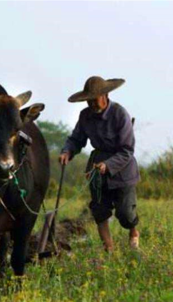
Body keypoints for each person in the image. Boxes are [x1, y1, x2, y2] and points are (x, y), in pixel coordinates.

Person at [59, 76, 140, 252]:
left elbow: (127, 149)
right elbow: (76, 139)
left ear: (105, 96)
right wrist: (67, 151)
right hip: (96, 169)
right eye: (88, 101)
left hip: (122, 169)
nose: (92, 105)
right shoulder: (85, 116)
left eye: (94, 100)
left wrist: (108, 165)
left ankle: (134, 233)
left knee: (125, 214)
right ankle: (108, 249)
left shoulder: (120, 114)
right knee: (99, 210)